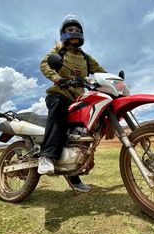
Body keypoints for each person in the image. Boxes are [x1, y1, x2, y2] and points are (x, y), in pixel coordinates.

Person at [38, 14, 106, 192]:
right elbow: (44, 64)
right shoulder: (59, 51)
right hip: (59, 95)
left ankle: (74, 175)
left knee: (81, 134)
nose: (74, 32)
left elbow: (101, 72)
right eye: (70, 30)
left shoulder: (85, 58)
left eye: (77, 29)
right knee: (59, 108)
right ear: (63, 33)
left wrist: (112, 81)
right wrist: (57, 78)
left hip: (78, 99)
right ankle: (46, 156)